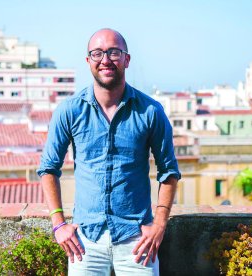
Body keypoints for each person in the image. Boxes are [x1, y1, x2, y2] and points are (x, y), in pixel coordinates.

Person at [37, 28, 181, 276]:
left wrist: (159, 223)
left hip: (137, 241)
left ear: (126, 59)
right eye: (97, 53)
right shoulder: (69, 111)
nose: (105, 60)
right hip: (85, 243)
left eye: (113, 52)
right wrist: (59, 223)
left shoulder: (150, 111)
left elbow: (169, 172)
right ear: (88, 61)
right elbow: (48, 169)